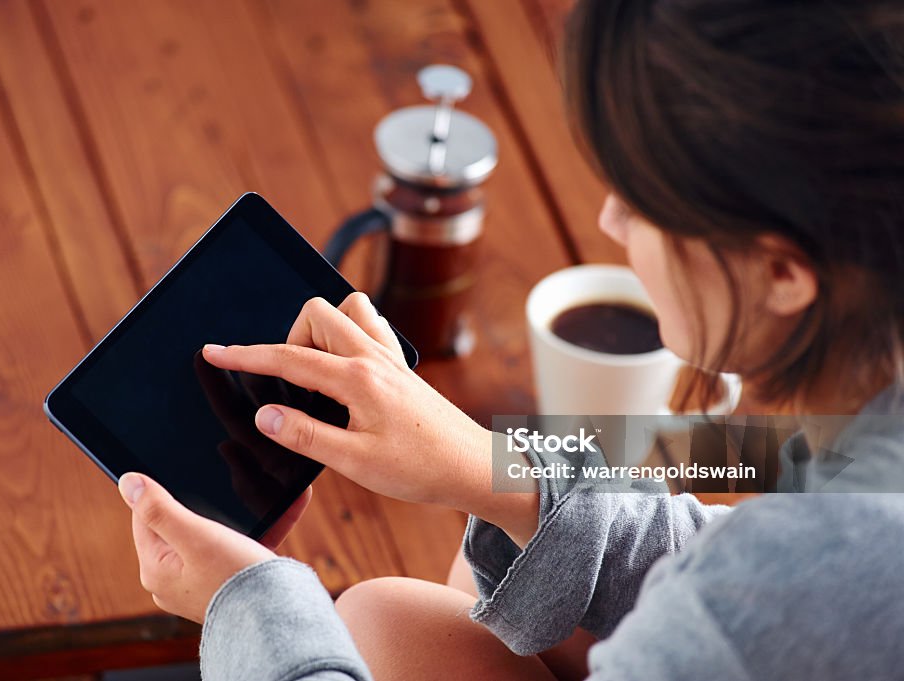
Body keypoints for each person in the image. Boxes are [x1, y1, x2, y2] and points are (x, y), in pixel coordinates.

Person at [115, 0, 904, 678]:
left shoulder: (786, 590)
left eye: (643, 195)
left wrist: (250, 607)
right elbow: (747, 574)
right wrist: (490, 469)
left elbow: (755, 597)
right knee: (407, 611)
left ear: (781, 272)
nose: (610, 220)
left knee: (385, 619)